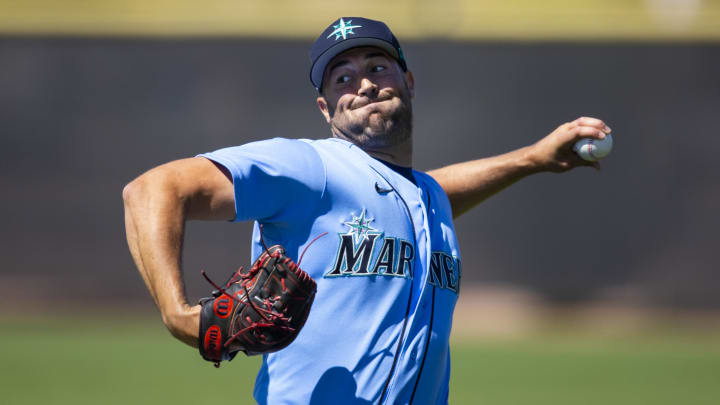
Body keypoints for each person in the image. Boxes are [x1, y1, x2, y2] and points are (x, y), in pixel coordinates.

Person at [123, 17, 611, 405]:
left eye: (377, 66)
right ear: (325, 107)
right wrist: (176, 314)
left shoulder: (425, 199)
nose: (363, 83)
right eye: (343, 77)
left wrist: (532, 159)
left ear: (408, 81)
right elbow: (150, 190)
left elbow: (425, 193)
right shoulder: (309, 165)